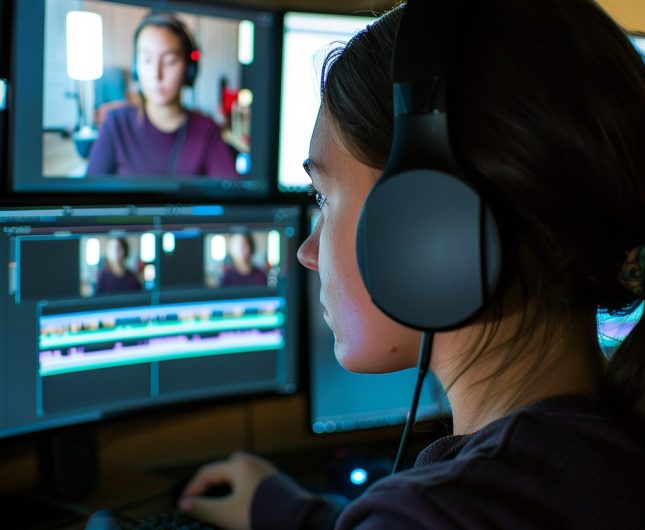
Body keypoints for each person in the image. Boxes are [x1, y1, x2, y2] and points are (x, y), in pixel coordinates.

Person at [177, 0, 645, 528]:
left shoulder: (438, 515)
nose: (307, 253)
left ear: (427, 223)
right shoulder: (605, 448)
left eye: (323, 197)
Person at [86, 13, 237, 178]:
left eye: (169, 61)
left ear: (189, 69)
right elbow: (88, 197)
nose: (157, 75)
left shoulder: (208, 130)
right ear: (136, 67)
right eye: (147, 60)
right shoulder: (116, 125)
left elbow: (232, 194)